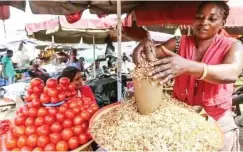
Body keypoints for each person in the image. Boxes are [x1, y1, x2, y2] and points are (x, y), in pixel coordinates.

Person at [133, 1, 243, 151]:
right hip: (182, 122)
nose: (204, 22)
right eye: (199, 17)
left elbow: (231, 73)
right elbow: (145, 57)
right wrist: (143, 47)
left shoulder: (232, 45)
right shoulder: (179, 43)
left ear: (222, 22)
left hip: (218, 123)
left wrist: (188, 66)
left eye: (212, 19)